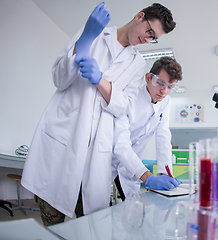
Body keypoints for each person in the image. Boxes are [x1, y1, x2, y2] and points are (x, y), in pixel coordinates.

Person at [21, 2, 176, 226]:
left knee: (91, 227)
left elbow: (124, 105)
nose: (148, 39)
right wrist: (84, 40)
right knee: (53, 224)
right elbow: (59, 79)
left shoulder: (137, 64)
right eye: (150, 31)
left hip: (95, 157)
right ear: (140, 16)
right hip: (62, 144)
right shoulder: (94, 35)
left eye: (154, 38)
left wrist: (100, 80)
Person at [112, 56, 183, 201]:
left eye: (170, 87)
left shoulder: (166, 101)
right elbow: (120, 144)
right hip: (108, 160)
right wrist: (148, 178)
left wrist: (165, 173)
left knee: (133, 214)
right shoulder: (129, 97)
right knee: (99, 211)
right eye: (160, 83)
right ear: (148, 78)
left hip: (132, 166)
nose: (164, 91)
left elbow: (163, 136)